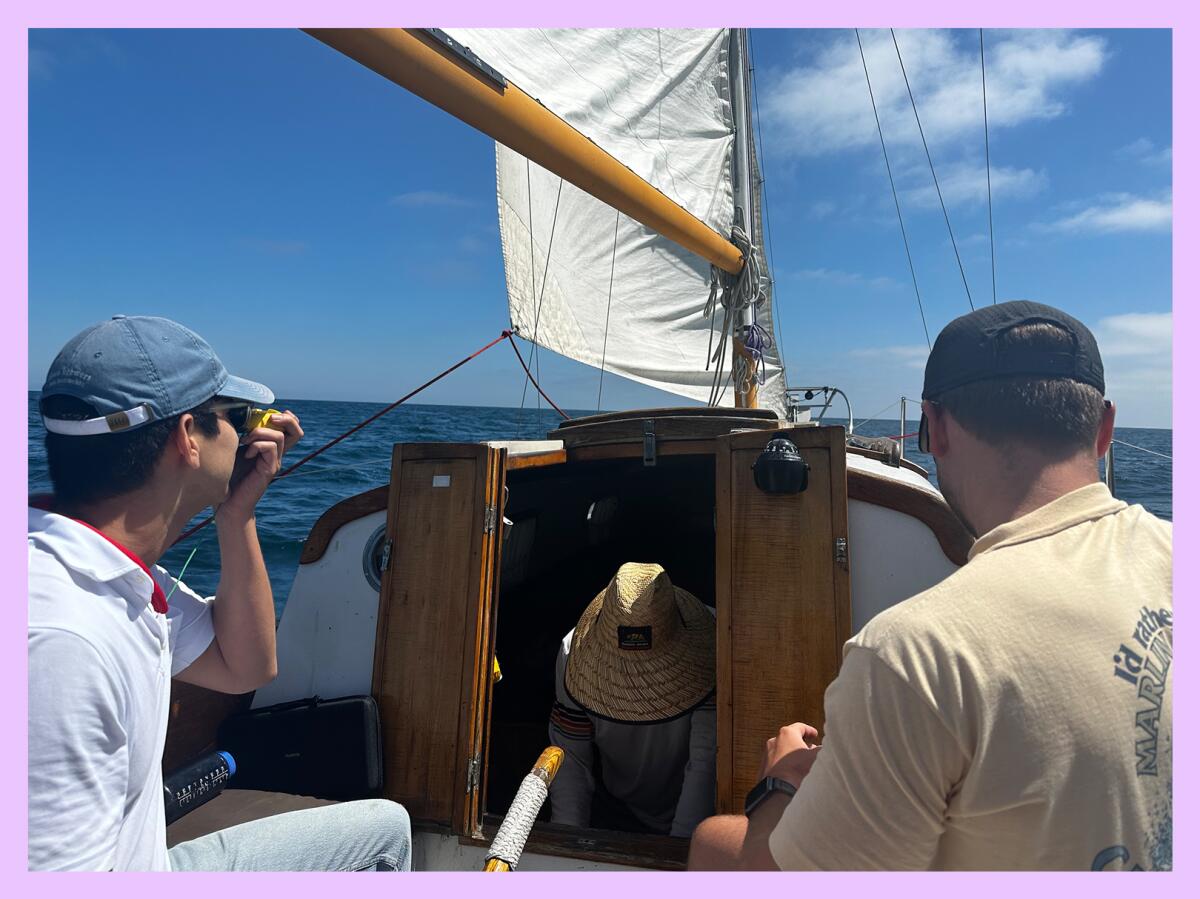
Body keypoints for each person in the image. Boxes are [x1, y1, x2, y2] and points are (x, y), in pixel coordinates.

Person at [687, 300, 1172, 871]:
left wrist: (783, 784)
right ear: (1106, 427)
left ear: (933, 427)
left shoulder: (913, 654)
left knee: (711, 840)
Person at [28, 315, 412, 871]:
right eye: (234, 417)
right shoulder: (61, 641)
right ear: (187, 438)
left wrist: (237, 514)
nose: (250, 434)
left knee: (386, 829)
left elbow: (246, 667)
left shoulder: (113, 576)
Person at [548, 562, 716, 837]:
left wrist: (680, 852)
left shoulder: (714, 641)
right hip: (617, 808)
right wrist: (567, 841)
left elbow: (706, 760)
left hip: (700, 812)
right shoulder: (573, 652)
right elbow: (571, 759)